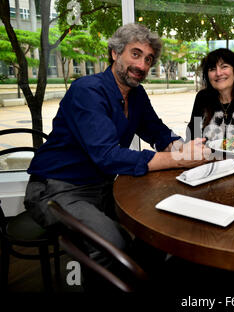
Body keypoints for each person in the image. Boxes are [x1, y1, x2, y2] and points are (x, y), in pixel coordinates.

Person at [24, 24, 210, 286]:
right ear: (114, 53)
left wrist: (186, 148)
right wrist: (180, 159)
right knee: (113, 242)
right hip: (57, 188)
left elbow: (157, 132)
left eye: (148, 59)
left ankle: (138, 278)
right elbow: (109, 156)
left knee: (160, 227)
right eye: (135, 54)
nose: (142, 65)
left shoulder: (137, 94)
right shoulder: (87, 90)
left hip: (101, 187)